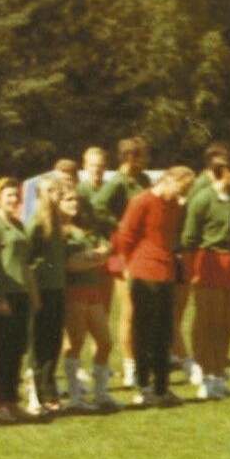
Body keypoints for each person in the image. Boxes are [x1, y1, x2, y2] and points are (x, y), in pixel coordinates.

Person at [111, 165, 189, 408]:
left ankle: (162, 387)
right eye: (181, 188)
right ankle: (143, 385)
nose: (182, 194)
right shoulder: (141, 201)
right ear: (168, 181)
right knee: (144, 330)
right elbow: (126, 235)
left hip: (166, 272)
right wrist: (129, 262)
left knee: (164, 332)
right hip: (144, 271)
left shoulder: (175, 206)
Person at [181, 153, 230, 399]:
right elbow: (189, 238)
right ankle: (207, 378)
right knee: (210, 324)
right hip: (209, 261)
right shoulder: (203, 198)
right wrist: (192, 271)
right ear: (225, 171)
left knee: (227, 324)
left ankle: (219, 375)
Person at [93, 137, 151, 388]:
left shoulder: (144, 180)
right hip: (123, 252)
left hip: (143, 251)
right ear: (129, 158)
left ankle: (140, 360)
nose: (145, 161)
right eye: (141, 156)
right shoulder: (117, 182)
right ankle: (128, 366)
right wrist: (120, 226)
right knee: (128, 309)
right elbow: (98, 207)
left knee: (142, 308)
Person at [0, 178, 35, 423]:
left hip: (21, 294)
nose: (14, 200)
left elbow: (25, 263)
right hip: (4, 296)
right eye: (9, 195)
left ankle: (12, 401)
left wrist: (32, 295)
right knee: (3, 351)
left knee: (16, 350)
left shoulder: (19, 225)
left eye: (16, 196)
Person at [59, 183, 118, 411]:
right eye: (68, 200)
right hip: (73, 292)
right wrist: (93, 257)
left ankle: (101, 393)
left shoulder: (85, 229)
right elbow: (70, 264)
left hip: (93, 290)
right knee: (75, 343)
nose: (74, 204)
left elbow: (106, 251)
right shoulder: (61, 232)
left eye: (76, 200)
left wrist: (89, 257)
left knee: (105, 342)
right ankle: (75, 396)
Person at [25, 178, 70, 415]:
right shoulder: (36, 223)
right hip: (40, 288)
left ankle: (49, 389)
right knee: (38, 343)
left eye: (58, 191)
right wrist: (34, 292)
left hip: (57, 288)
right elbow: (27, 259)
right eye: (50, 191)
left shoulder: (58, 221)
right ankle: (34, 393)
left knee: (54, 342)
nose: (56, 195)